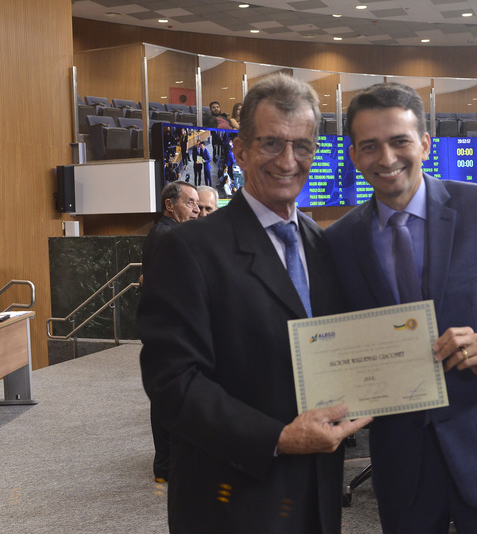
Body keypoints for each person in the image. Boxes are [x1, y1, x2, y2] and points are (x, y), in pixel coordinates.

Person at [325, 82, 477, 534]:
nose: (386, 158)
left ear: (425, 144)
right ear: (354, 155)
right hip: (402, 461)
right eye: (370, 146)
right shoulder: (339, 241)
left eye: (400, 141)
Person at [138, 74, 371, 533]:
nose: (288, 160)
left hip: (317, 495)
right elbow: (172, 383)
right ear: (241, 151)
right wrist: (278, 438)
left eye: (302, 146)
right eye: (271, 143)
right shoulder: (189, 248)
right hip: (231, 499)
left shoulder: (322, 245)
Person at [139, 180, 200, 482]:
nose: (196, 209)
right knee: (167, 399)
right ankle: (165, 465)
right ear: (170, 204)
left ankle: (166, 463)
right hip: (170, 330)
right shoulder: (170, 236)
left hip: (166, 328)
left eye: (198, 204)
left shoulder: (163, 232)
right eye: (190, 202)